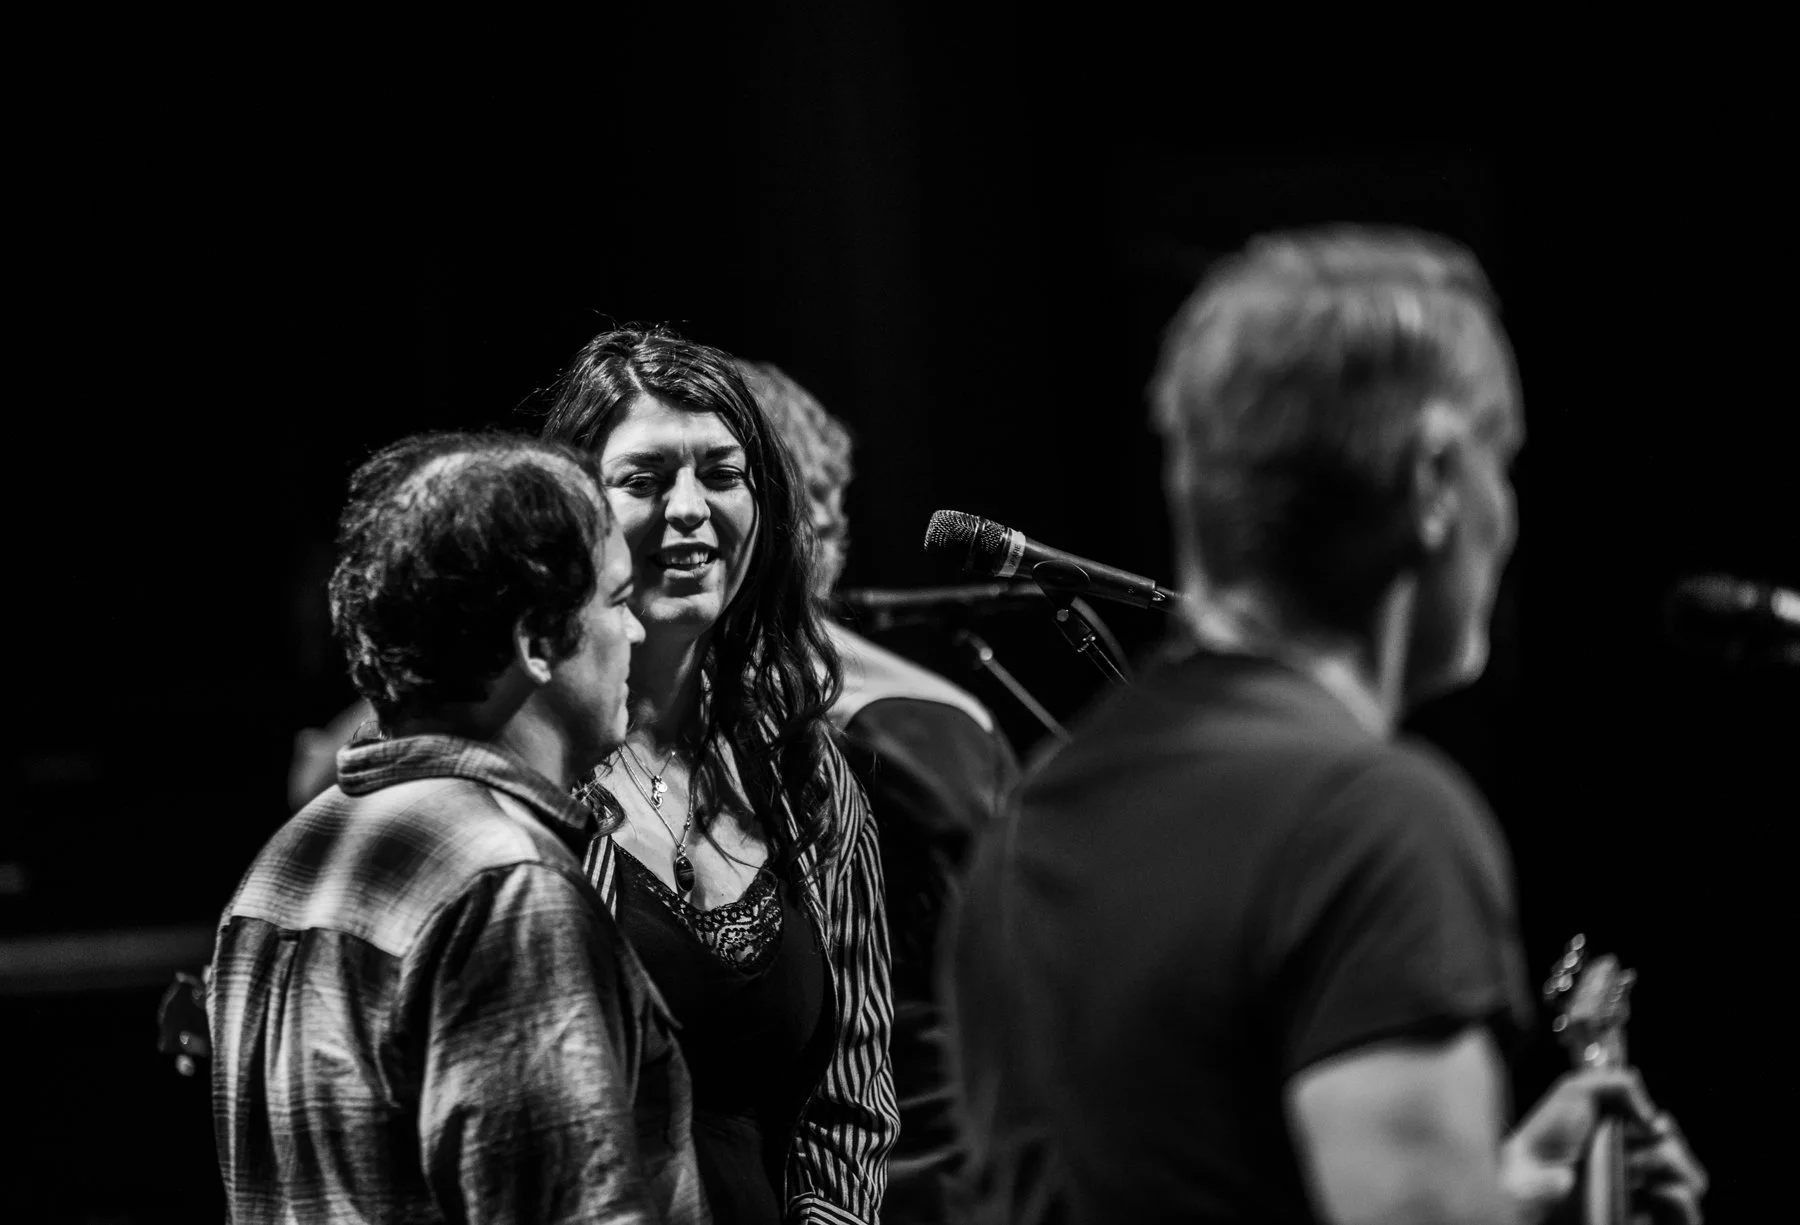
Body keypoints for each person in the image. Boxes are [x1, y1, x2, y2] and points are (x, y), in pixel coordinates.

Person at [942, 227, 1708, 1224]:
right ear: (1436, 480)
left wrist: (1502, 1196)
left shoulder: (1028, 825)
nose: (1510, 515)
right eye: (1505, 464)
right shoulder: (1374, 825)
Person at [207, 430, 708, 1223]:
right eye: (617, 602)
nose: (637, 632)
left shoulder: (281, 862)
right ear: (537, 641)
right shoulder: (507, 887)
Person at [538, 326, 899, 1225]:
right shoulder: (534, 766)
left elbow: (854, 1096)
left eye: (721, 473)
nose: (690, 508)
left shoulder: (805, 768)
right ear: (573, 507)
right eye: (645, 479)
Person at [735, 357, 1020, 1225]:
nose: (830, 521)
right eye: (814, 495)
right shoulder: (915, 721)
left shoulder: (910, 720)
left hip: (901, 1155)